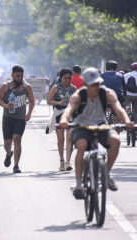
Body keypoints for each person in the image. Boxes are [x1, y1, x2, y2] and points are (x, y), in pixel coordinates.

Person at [59, 67, 133, 199]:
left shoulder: (107, 93)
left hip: (101, 125)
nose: (96, 87)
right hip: (81, 126)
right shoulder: (78, 95)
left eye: (98, 84)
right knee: (81, 145)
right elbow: (68, 110)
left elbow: (118, 108)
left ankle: (106, 173)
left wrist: (127, 121)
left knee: (115, 141)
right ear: (86, 84)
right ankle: (78, 185)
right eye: (93, 84)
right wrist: (64, 121)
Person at [0, 65, 35, 173]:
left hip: (20, 118)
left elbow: (32, 101)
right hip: (8, 118)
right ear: (12, 75)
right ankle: (9, 154)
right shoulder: (5, 86)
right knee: (7, 143)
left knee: (17, 139)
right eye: (17, 76)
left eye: (21, 76)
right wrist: (6, 105)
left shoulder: (27, 87)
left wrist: (29, 114)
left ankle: (16, 165)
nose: (19, 78)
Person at [47, 68, 76, 171]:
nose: (67, 80)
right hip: (59, 115)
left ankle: (68, 162)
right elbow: (49, 101)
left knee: (70, 139)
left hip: (70, 116)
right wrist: (59, 103)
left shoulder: (73, 88)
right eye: (65, 78)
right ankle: (62, 161)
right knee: (61, 140)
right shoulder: (56, 88)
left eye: (69, 78)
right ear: (61, 78)